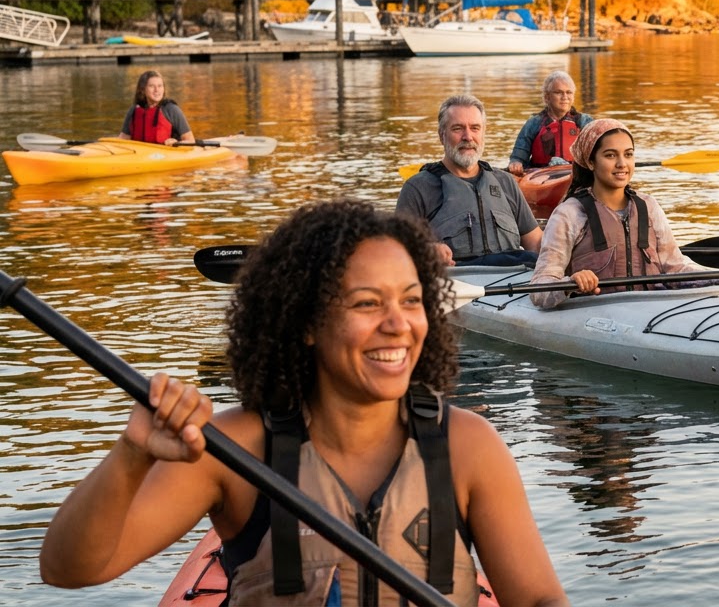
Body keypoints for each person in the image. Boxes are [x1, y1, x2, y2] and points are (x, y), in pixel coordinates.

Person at [39, 199, 569, 606]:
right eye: (367, 303)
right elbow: (70, 568)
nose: (399, 325)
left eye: (412, 301)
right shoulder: (236, 451)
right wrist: (132, 455)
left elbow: (540, 598)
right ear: (309, 324)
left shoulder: (468, 446)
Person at [529, 118, 719, 309]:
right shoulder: (569, 214)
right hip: (594, 312)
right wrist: (569, 283)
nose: (622, 164)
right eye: (610, 155)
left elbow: (676, 268)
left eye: (628, 154)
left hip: (652, 310)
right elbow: (540, 290)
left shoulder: (649, 206)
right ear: (591, 161)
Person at [397, 94, 544, 267]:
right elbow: (397, 253)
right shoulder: (418, 188)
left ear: (483, 133)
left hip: (514, 284)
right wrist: (425, 251)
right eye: (458, 128)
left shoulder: (505, 182)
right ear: (441, 135)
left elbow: (536, 244)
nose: (468, 137)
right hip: (457, 284)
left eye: (475, 128)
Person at [507, 71, 594, 176]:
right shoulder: (534, 123)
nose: (565, 97)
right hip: (541, 175)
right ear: (547, 97)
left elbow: (598, 151)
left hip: (575, 174)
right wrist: (516, 163)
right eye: (558, 92)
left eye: (569, 92)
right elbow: (519, 155)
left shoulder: (584, 121)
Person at [118, 70, 196, 146]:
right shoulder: (134, 110)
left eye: (160, 86)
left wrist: (176, 142)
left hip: (166, 155)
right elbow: (123, 138)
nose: (157, 90)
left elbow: (190, 140)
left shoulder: (171, 109)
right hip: (141, 155)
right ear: (143, 89)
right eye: (152, 86)